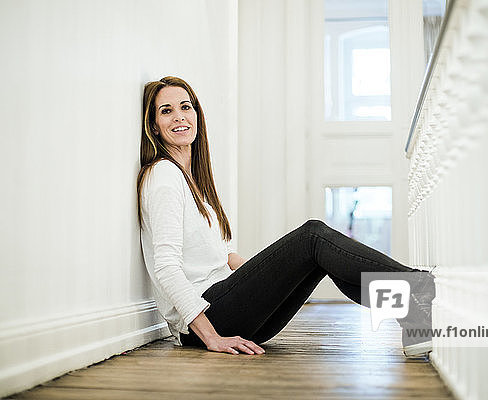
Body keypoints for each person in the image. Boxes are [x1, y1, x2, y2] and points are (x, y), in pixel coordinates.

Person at [137, 76, 434, 357]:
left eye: (185, 107)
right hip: (208, 319)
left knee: (315, 258)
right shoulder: (163, 176)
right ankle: (416, 286)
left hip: (227, 307)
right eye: (167, 111)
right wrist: (211, 336)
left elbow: (225, 256)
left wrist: (268, 276)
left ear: (197, 115)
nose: (179, 116)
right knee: (312, 236)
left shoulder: (195, 182)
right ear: (154, 125)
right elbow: (166, 268)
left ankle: (405, 307)